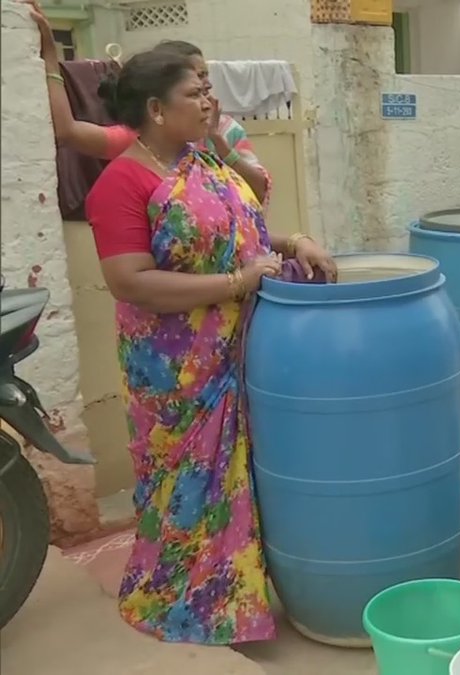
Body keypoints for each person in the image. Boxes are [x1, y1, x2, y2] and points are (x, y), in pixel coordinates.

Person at [84, 49, 336, 644]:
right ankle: (180, 599)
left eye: (208, 91)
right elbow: (130, 280)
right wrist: (234, 284)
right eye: (195, 93)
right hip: (175, 372)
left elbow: (237, 231)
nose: (209, 103)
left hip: (237, 349)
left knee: (239, 475)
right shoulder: (124, 180)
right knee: (187, 483)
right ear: (155, 109)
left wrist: (294, 239)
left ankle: (237, 591)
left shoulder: (202, 161)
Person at [25, 0, 269, 202]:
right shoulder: (137, 148)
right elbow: (68, 131)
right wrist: (50, 59)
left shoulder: (227, 133)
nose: (205, 88)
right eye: (192, 89)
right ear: (156, 107)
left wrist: (220, 143)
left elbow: (259, 193)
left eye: (204, 76)